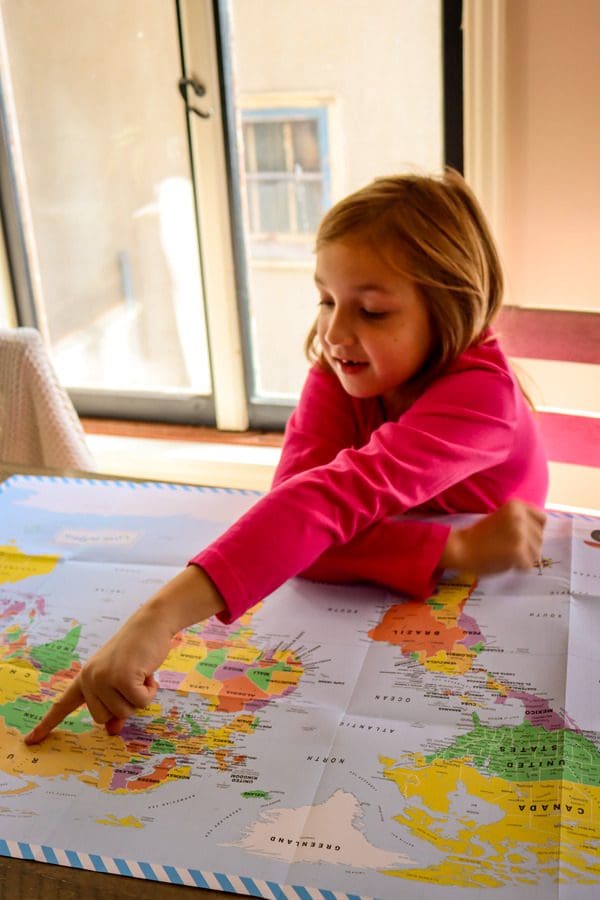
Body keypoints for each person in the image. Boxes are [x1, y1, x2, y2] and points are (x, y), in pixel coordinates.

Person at [25, 169, 547, 745]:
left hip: (498, 604)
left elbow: (325, 507)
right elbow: (301, 520)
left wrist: (160, 616)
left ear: (449, 312)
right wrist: (456, 546)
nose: (333, 331)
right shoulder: (339, 365)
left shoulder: (483, 396)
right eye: (326, 299)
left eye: (372, 311)